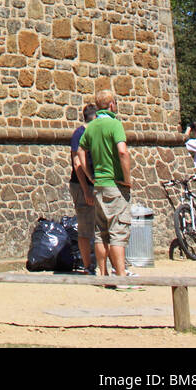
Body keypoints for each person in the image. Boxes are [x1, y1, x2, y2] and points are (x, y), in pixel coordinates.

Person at [78, 88, 135, 287]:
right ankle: (121, 278)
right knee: (118, 232)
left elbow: (80, 152)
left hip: (99, 185)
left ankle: (102, 276)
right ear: (112, 105)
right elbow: (122, 152)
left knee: (100, 232)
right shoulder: (115, 124)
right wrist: (127, 179)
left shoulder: (90, 127)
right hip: (114, 185)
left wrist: (89, 176)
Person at [69, 104, 97, 273]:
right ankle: (88, 266)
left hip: (95, 184)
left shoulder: (93, 132)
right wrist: (86, 189)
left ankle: (102, 265)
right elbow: (77, 163)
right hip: (81, 186)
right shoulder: (79, 134)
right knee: (86, 227)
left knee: (100, 228)